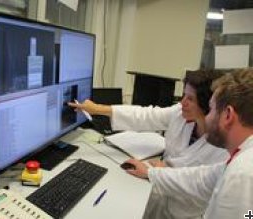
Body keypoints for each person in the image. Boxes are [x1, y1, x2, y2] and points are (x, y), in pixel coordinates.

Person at [69, 70, 229, 219]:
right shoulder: (180, 114)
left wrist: (164, 169)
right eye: (184, 96)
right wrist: (97, 109)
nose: (182, 103)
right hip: (158, 195)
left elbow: (202, 182)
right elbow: (145, 115)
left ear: (208, 104)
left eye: (190, 99)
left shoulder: (223, 145)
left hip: (184, 212)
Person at [129, 68, 253, 218]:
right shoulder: (241, 158)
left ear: (228, 115)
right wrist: (151, 173)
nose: (207, 117)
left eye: (212, 110)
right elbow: (199, 179)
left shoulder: (242, 175)